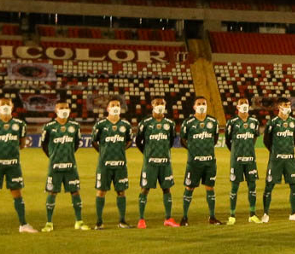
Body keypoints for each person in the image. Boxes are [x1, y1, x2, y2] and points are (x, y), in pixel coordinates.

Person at [0, 97, 37, 235]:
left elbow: (22, 143)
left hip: (13, 164)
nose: (5, 106)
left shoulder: (20, 124)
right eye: (2, 104)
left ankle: (23, 225)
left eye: (7, 104)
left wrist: (11, 154)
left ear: (12, 106)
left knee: (17, 193)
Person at [39, 101, 88, 231]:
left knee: (75, 191)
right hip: (55, 166)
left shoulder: (75, 126)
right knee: (52, 192)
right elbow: (44, 145)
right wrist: (52, 156)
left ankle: (79, 221)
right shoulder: (49, 127)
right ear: (56, 110)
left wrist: (68, 155)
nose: (64, 110)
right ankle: (49, 223)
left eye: (66, 108)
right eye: (61, 108)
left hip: (70, 165)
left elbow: (76, 144)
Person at [136, 97, 179, 228]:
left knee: (167, 189)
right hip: (150, 163)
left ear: (165, 105)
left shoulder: (170, 123)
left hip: (165, 162)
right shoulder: (145, 123)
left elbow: (171, 141)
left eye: (162, 103)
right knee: (145, 189)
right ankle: (141, 219)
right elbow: (138, 141)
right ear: (152, 105)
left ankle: (168, 218)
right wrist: (147, 153)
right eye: (157, 103)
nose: (160, 105)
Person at [178, 96, 222, 225]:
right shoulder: (188, 122)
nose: (201, 105)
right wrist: (192, 149)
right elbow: (183, 139)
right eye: (199, 103)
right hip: (194, 162)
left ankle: (212, 217)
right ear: (194, 106)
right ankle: (184, 218)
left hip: (209, 162)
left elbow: (215, 138)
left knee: (210, 188)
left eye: (204, 103)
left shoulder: (213, 122)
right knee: (189, 188)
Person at [92, 98, 133, 229]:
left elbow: (129, 141)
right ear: (108, 108)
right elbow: (94, 141)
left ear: (121, 108)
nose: (115, 107)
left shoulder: (126, 125)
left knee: (121, 192)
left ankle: (122, 221)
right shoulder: (100, 125)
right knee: (101, 191)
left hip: (120, 164)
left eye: (118, 105)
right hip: (104, 165)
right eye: (113, 105)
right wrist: (102, 152)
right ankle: (99, 222)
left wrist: (121, 150)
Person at [262, 98, 295, 222]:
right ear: (279, 107)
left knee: (294, 185)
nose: (288, 107)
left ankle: (293, 213)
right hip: (276, 160)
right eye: (286, 105)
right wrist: (274, 151)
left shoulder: (294, 122)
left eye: (289, 105)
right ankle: (265, 214)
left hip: (290, 159)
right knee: (269, 185)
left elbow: (294, 138)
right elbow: (266, 140)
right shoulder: (273, 122)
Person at [223, 97, 261, 224]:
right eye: (242, 103)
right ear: (237, 106)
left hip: (250, 159)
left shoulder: (254, 122)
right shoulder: (232, 122)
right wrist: (235, 151)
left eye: (246, 103)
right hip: (237, 160)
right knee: (234, 187)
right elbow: (228, 140)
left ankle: (252, 215)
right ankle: (232, 216)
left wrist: (248, 149)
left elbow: (254, 137)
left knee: (252, 186)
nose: (244, 105)